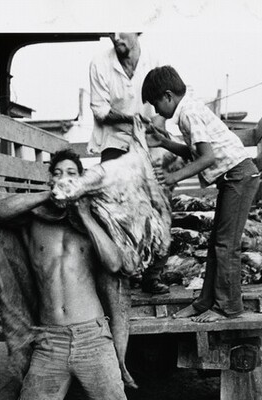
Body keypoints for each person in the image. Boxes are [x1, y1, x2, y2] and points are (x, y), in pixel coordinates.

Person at [0, 149, 138, 400]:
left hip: (92, 336)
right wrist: (48, 195)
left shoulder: (92, 219)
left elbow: (116, 263)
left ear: (83, 179)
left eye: (73, 172)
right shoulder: (33, 220)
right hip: (50, 341)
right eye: (59, 172)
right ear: (50, 177)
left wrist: (83, 211)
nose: (65, 177)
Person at [141, 64, 260, 323]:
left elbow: (207, 158)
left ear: (168, 96)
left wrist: (173, 177)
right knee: (218, 244)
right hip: (233, 178)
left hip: (240, 177)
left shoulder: (188, 114)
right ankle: (205, 302)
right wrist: (164, 143)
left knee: (226, 245)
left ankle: (228, 308)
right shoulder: (188, 110)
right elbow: (195, 152)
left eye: (155, 103)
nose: (156, 111)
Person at [88, 32, 168, 294]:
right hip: (114, 143)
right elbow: (100, 111)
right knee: (116, 213)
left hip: (147, 145)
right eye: (110, 31)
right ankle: (126, 274)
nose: (115, 36)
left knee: (157, 208)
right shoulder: (100, 64)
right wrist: (134, 120)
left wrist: (155, 125)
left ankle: (152, 276)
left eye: (121, 30)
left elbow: (162, 108)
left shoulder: (154, 59)